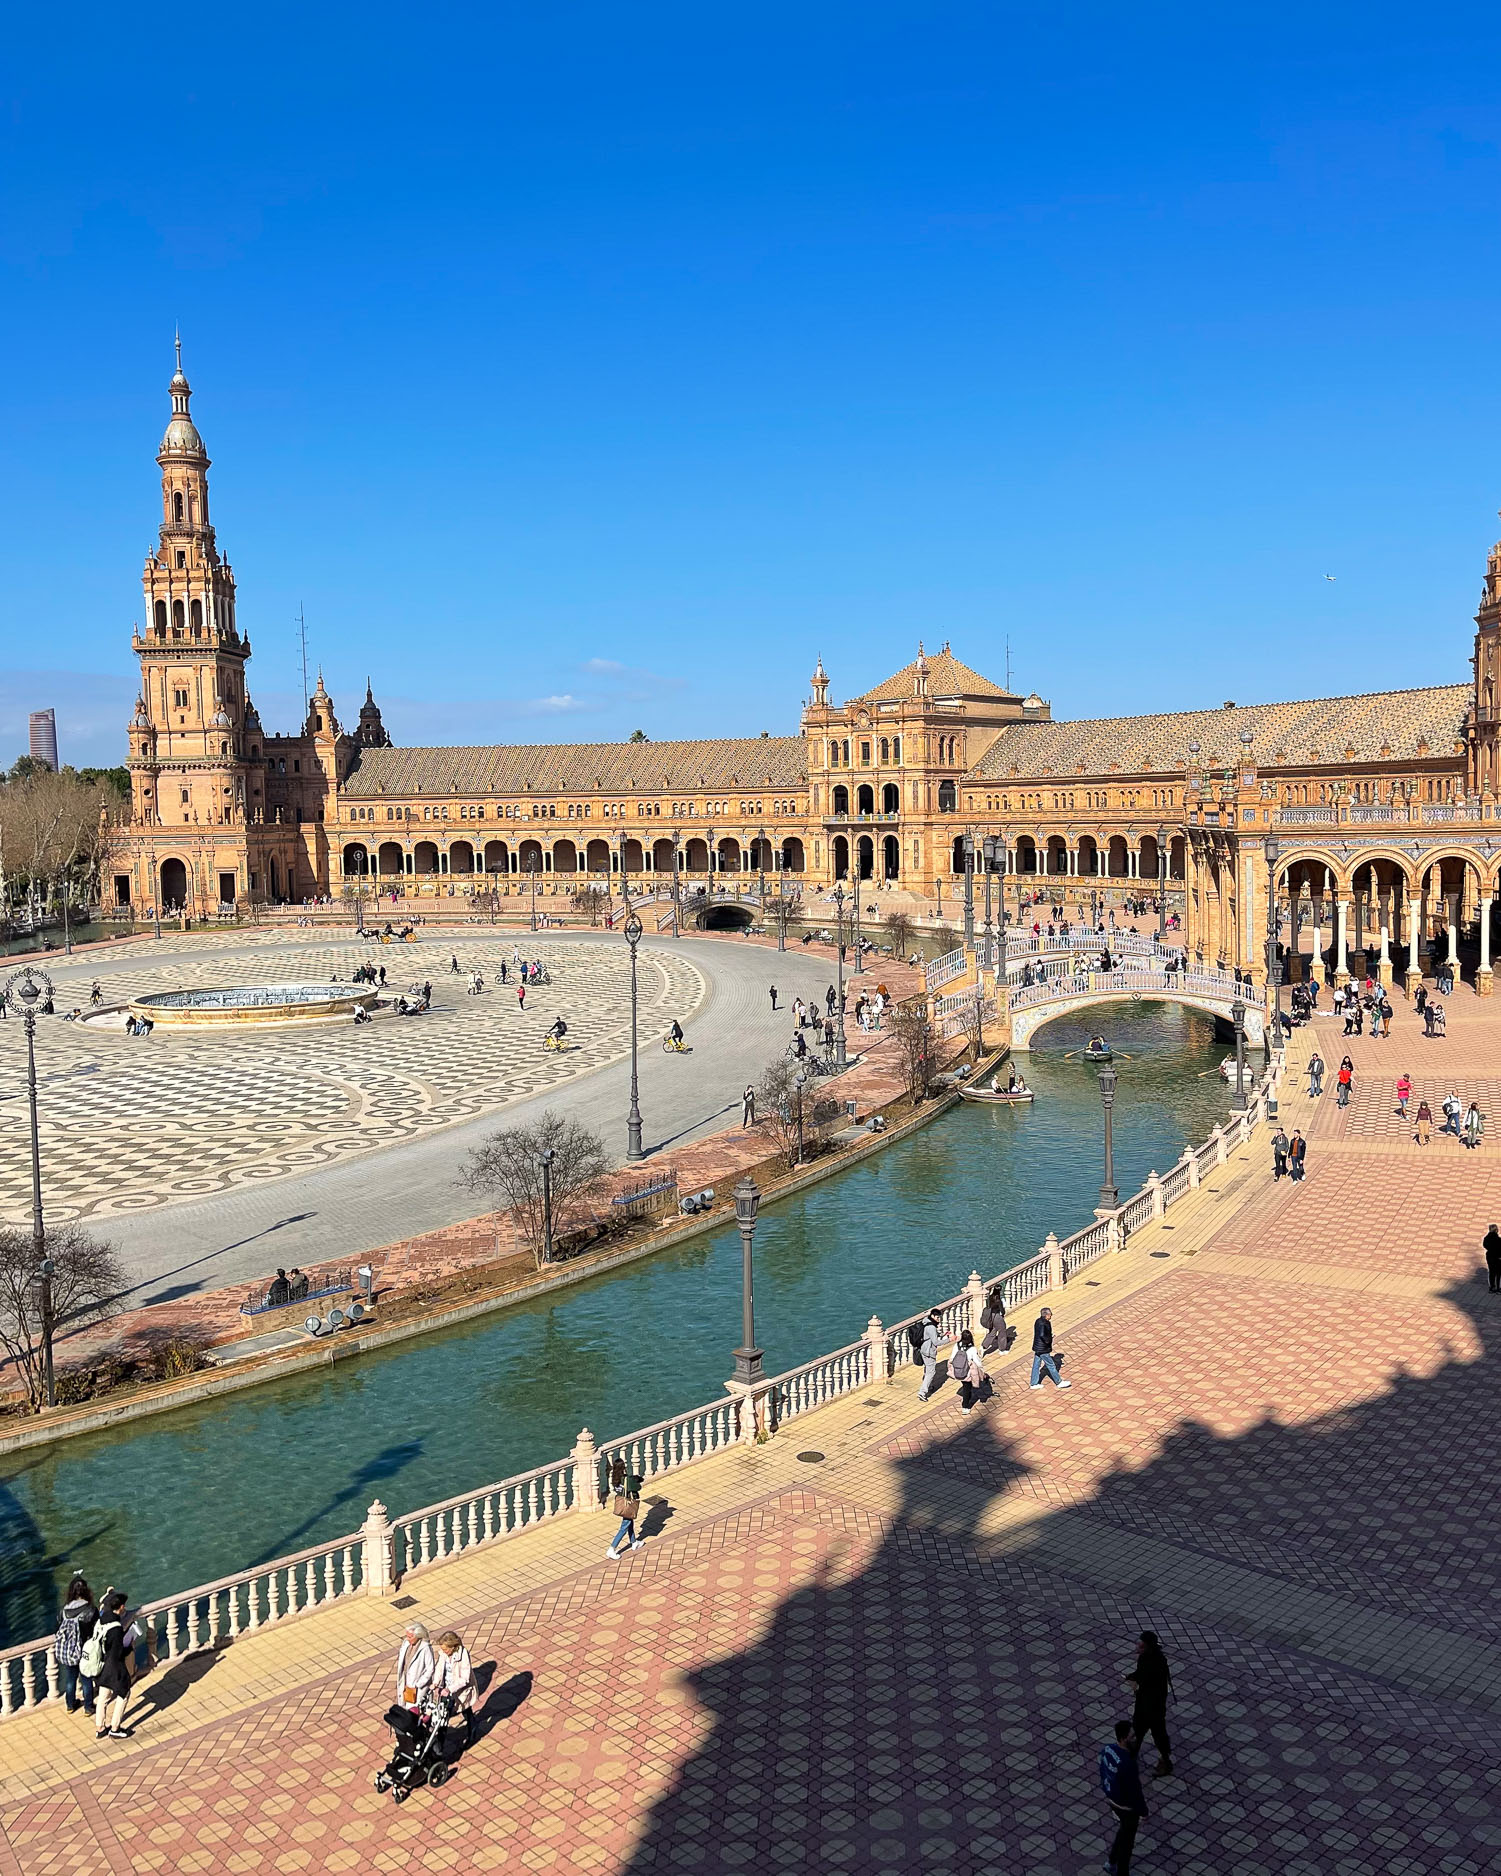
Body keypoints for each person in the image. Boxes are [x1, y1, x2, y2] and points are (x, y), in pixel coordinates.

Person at [1098, 1720, 1148, 1874]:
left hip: (1112, 1799)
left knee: (1123, 1830)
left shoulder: (1107, 1750)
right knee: (1127, 1844)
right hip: (1127, 1806)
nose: (1135, 1739)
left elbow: (1103, 1770)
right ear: (1123, 1738)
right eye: (1132, 1737)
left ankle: (1111, 1861)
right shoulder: (1128, 1764)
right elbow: (1135, 1791)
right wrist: (1143, 1811)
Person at [1125, 1631, 1174, 1777]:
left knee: (1158, 1733)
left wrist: (1134, 1682)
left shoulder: (1154, 1662)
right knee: (1138, 1727)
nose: (1137, 1647)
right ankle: (1133, 1752)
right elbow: (1140, 1674)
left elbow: (1145, 1679)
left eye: (1141, 1645)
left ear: (1148, 1647)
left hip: (1154, 1705)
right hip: (1145, 1702)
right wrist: (1132, 1677)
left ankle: (1166, 1761)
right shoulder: (1148, 1658)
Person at [86, 1590, 133, 1739]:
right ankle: (115, 1727)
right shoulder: (116, 1628)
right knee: (124, 1693)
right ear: (120, 1607)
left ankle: (100, 1728)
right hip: (114, 1666)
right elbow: (118, 1651)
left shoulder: (100, 1621)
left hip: (100, 1664)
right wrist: (129, 1645)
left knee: (103, 1696)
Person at [53, 1575, 97, 1716]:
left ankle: (70, 1705)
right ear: (86, 1591)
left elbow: (58, 1629)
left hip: (69, 1650)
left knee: (71, 1678)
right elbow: (96, 1628)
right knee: (86, 1678)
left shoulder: (64, 1611)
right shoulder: (90, 1610)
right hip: (85, 1649)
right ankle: (88, 1707)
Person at [433, 1631, 477, 1746]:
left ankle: (472, 1731)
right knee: (443, 1716)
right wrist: (435, 1683)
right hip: (446, 1689)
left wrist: (450, 1689)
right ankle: (440, 1744)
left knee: (466, 1711)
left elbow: (465, 1678)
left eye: (446, 1649)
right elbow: (439, 1669)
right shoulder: (443, 1654)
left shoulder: (463, 1655)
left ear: (453, 1646)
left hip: (459, 1690)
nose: (444, 1652)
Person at [607, 1457, 645, 1558]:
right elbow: (638, 1487)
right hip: (628, 1504)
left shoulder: (614, 1479)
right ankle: (612, 1549)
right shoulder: (626, 1479)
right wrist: (636, 1480)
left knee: (629, 1522)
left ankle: (634, 1542)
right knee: (624, 1527)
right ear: (623, 1467)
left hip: (621, 1503)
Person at [395, 1621, 436, 1710]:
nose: (408, 1639)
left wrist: (420, 1683)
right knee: (405, 1706)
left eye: (410, 1637)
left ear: (418, 1636)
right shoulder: (406, 1644)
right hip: (405, 1681)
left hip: (417, 1686)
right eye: (407, 1636)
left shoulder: (425, 1648)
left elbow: (430, 1668)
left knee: (417, 1709)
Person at [1030, 1307, 1070, 1389]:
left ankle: (1034, 1383)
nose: (1051, 1316)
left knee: (1036, 1364)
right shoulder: (1045, 1323)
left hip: (1037, 1347)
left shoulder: (1038, 1321)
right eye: (1050, 1314)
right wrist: (1049, 1339)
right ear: (1047, 1315)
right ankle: (1059, 1382)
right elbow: (1042, 1335)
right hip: (1043, 1348)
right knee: (1051, 1364)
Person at [917, 1310, 940, 1401]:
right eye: (937, 1317)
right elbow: (936, 1342)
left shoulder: (926, 1322)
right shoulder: (931, 1327)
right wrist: (949, 1340)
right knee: (931, 1372)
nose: (939, 1319)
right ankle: (922, 1392)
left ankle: (929, 1385)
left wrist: (943, 1334)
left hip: (924, 1349)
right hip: (929, 1351)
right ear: (933, 1316)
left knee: (927, 1369)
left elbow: (930, 1336)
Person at [980, 1285, 1009, 1357]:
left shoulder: (990, 1297)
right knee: (1002, 1331)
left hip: (990, 1316)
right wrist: (1003, 1313)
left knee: (992, 1332)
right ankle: (1002, 1349)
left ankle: (983, 1346)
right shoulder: (998, 1299)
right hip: (997, 1316)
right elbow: (1002, 1310)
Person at [1484, 1224, 1501, 1294]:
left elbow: (1485, 1246)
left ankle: (1491, 1287)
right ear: (1496, 1230)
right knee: (1499, 1273)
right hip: (1498, 1258)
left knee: (1491, 1272)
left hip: (1489, 1257)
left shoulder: (1486, 1238)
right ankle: (1498, 1289)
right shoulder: (1499, 1240)